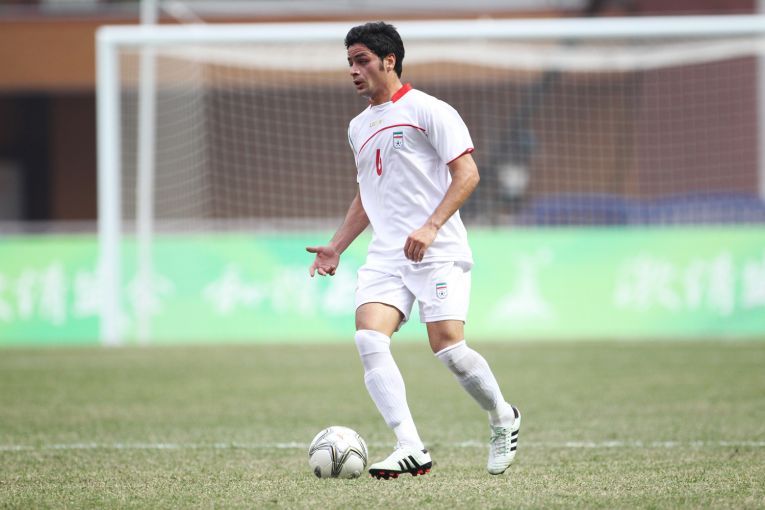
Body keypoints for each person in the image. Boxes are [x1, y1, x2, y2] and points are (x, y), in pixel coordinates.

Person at [306, 21, 520, 479]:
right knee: (368, 338)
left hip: (437, 250)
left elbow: (468, 174)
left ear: (389, 61)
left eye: (362, 60)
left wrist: (431, 226)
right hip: (387, 255)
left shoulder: (430, 110)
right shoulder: (358, 127)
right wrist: (337, 246)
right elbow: (367, 193)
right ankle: (410, 446)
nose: (353, 70)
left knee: (449, 349)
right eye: (349, 62)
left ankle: (503, 416)